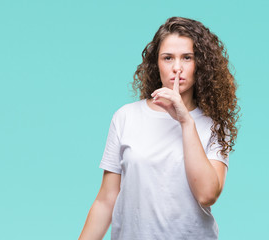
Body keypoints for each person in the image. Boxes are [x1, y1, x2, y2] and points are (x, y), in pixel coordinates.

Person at [78, 16, 240, 240]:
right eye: (168, 58)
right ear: (157, 64)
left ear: (200, 64)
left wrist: (185, 121)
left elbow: (207, 194)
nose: (177, 68)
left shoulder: (214, 125)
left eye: (187, 58)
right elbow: (106, 200)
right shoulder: (126, 117)